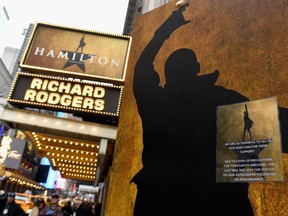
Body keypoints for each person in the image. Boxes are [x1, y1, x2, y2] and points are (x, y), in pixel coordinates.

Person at [132, 2, 254, 216]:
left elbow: (142, 69)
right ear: (197, 68)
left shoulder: (155, 102)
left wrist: (165, 31)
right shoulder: (220, 98)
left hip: (159, 201)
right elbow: (269, 124)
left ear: (167, 73)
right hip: (214, 202)